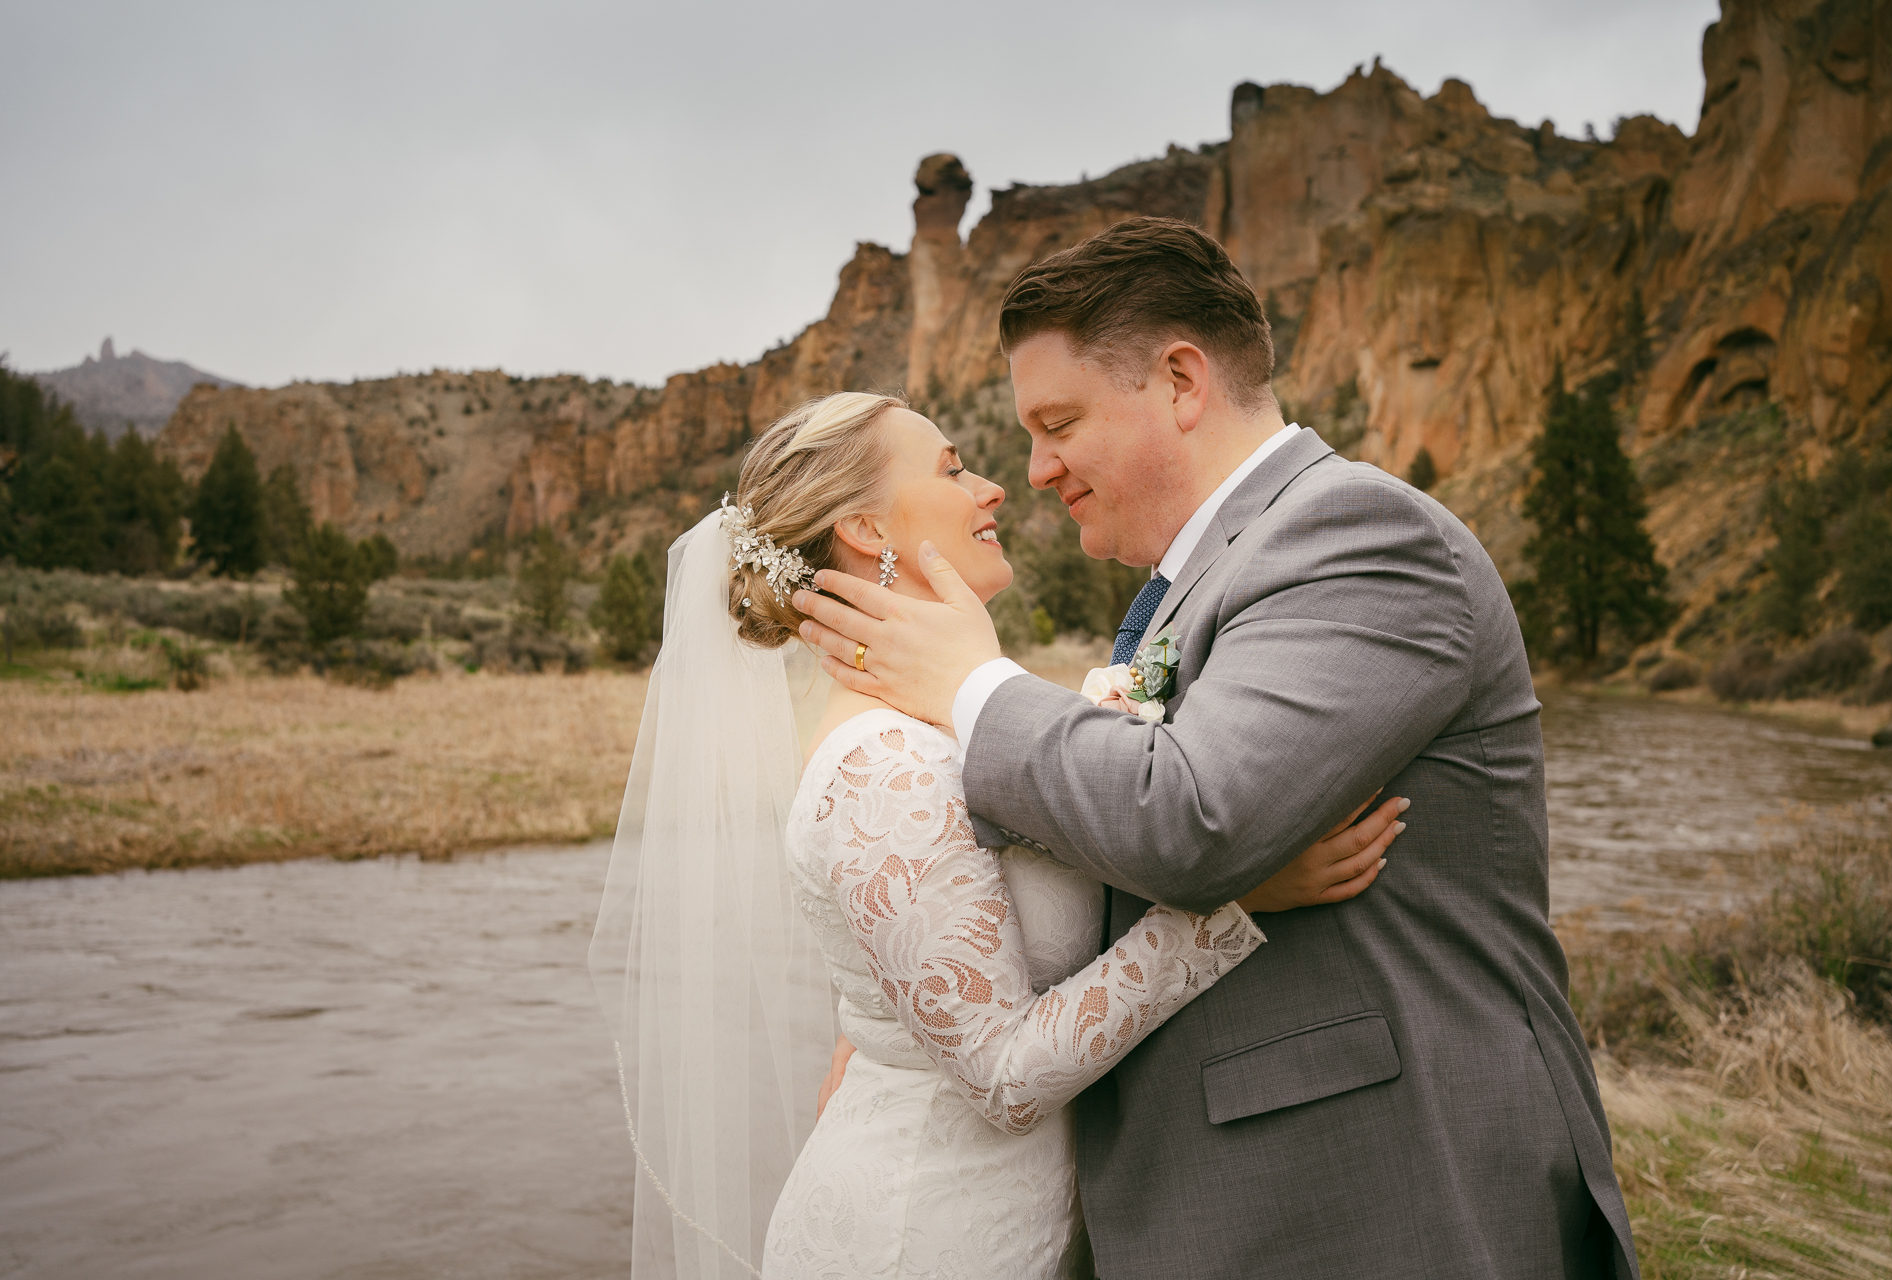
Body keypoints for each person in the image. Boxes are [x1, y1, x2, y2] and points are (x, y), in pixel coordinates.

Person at [794, 219, 1642, 1279]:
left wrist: (975, 682)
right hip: (1215, 1202)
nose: (1035, 468)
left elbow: (1199, 818)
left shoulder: (1358, 534)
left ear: (1182, 381)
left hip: (1373, 1196)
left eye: (1058, 422)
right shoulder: (1190, 588)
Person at [594, 389, 1404, 1280]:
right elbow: (1003, 1076)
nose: (995, 488)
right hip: (922, 1238)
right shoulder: (883, 767)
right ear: (867, 528)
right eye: (952, 468)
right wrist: (1234, 903)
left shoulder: (938, 727)